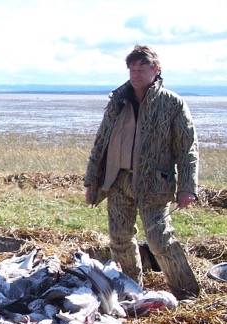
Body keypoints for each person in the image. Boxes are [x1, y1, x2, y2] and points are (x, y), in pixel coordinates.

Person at [84, 45, 200, 300]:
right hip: (117, 180)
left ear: (156, 70)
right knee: (119, 239)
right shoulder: (117, 101)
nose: (135, 74)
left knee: (159, 240)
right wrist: (91, 181)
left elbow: (187, 149)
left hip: (154, 184)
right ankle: (130, 292)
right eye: (132, 69)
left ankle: (186, 293)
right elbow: (100, 142)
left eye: (141, 69)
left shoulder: (172, 104)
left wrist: (188, 187)